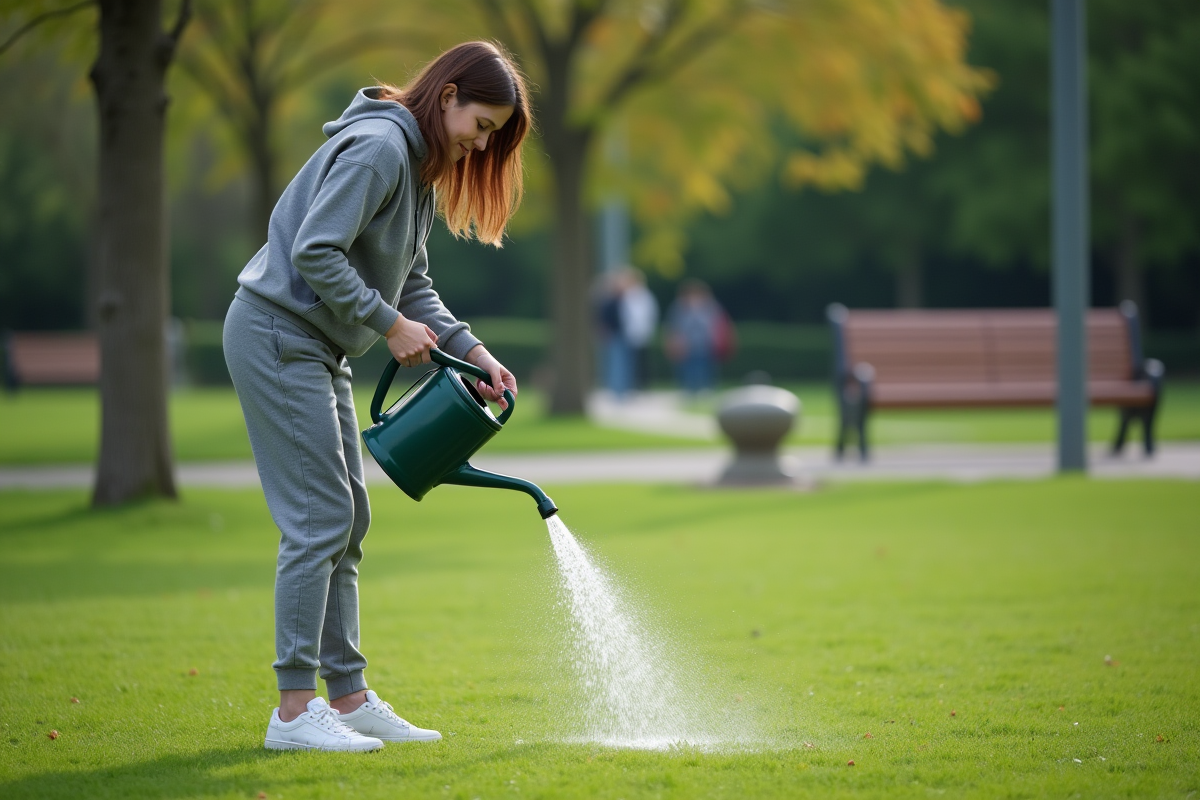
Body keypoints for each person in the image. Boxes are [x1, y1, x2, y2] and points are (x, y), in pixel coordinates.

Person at [222, 42, 531, 752]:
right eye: (481, 125)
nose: (481, 145)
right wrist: (387, 324)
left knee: (349, 518)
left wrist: (475, 354)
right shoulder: (381, 151)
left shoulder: (417, 166)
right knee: (318, 518)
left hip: (316, 344)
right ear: (448, 96)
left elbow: (412, 284)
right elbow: (315, 251)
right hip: (277, 334)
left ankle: (349, 698)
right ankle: (293, 713)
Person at [664, 279, 731, 394]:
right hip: (686, 344)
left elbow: (714, 324)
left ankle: (706, 387)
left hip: (706, 342)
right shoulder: (679, 307)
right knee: (687, 366)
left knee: (706, 365)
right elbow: (675, 326)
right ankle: (689, 388)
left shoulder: (711, 306)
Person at [618, 269, 660, 391]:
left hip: (642, 331)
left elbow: (650, 313)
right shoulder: (626, 296)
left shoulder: (645, 295)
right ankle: (631, 383)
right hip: (628, 332)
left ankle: (643, 384)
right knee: (630, 360)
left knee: (643, 360)